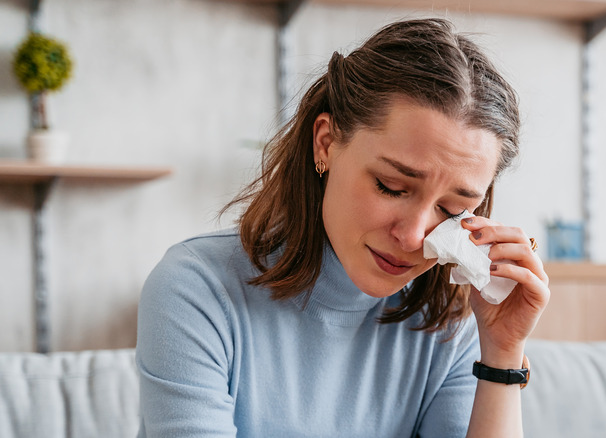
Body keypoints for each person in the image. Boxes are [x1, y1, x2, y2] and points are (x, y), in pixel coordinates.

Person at [136, 18, 549, 437]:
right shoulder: (197, 288)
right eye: (390, 187)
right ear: (326, 143)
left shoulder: (447, 326)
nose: (412, 238)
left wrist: (502, 353)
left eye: (452, 209)